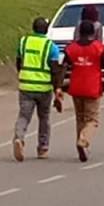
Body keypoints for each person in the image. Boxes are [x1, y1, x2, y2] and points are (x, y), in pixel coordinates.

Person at [61, 20, 104, 162]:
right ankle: (83, 141)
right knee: (92, 119)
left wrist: (59, 85)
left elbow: (64, 66)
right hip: (92, 87)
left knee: (80, 118)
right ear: (93, 33)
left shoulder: (71, 48)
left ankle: (81, 145)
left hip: (76, 87)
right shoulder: (98, 48)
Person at [13, 17, 63, 162]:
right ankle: (43, 148)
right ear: (46, 30)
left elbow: (18, 62)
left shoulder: (24, 42)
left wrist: (22, 75)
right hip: (44, 87)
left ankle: (19, 138)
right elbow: (55, 70)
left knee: (23, 116)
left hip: (26, 86)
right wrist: (57, 88)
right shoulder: (51, 46)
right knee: (44, 118)